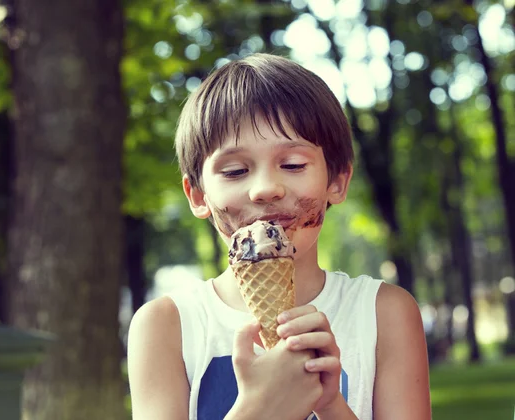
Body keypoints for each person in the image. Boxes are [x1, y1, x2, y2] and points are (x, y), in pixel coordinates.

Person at [127, 53, 431, 420]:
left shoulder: (383, 313)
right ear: (197, 195)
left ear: (337, 181)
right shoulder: (166, 326)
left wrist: (330, 404)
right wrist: (259, 410)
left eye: (292, 165)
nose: (266, 189)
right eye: (236, 170)